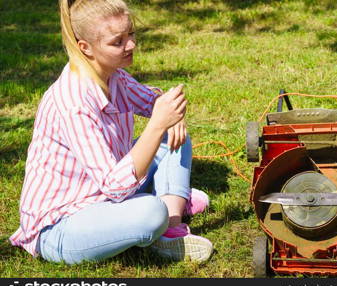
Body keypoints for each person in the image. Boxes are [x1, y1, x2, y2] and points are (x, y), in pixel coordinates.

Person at [9, 0, 213, 265]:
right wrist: (158, 122)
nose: (131, 45)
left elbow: (151, 101)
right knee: (151, 213)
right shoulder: (73, 101)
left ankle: (172, 228)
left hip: (103, 193)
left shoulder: (114, 76)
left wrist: (167, 113)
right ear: (86, 48)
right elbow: (115, 187)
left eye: (131, 35)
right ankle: (162, 205)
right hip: (61, 226)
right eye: (118, 42)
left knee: (173, 138)